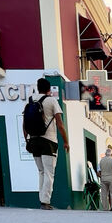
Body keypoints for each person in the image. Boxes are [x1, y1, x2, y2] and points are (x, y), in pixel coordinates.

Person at [25, 78, 69, 210]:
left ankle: (42, 199)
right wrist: (66, 141)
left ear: (38, 88)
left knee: (41, 172)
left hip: (34, 140)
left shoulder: (31, 100)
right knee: (49, 173)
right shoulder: (51, 100)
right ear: (49, 89)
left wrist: (27, 139)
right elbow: (60, 125)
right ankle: (45, 202)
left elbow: (25, 123)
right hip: (48, 141)